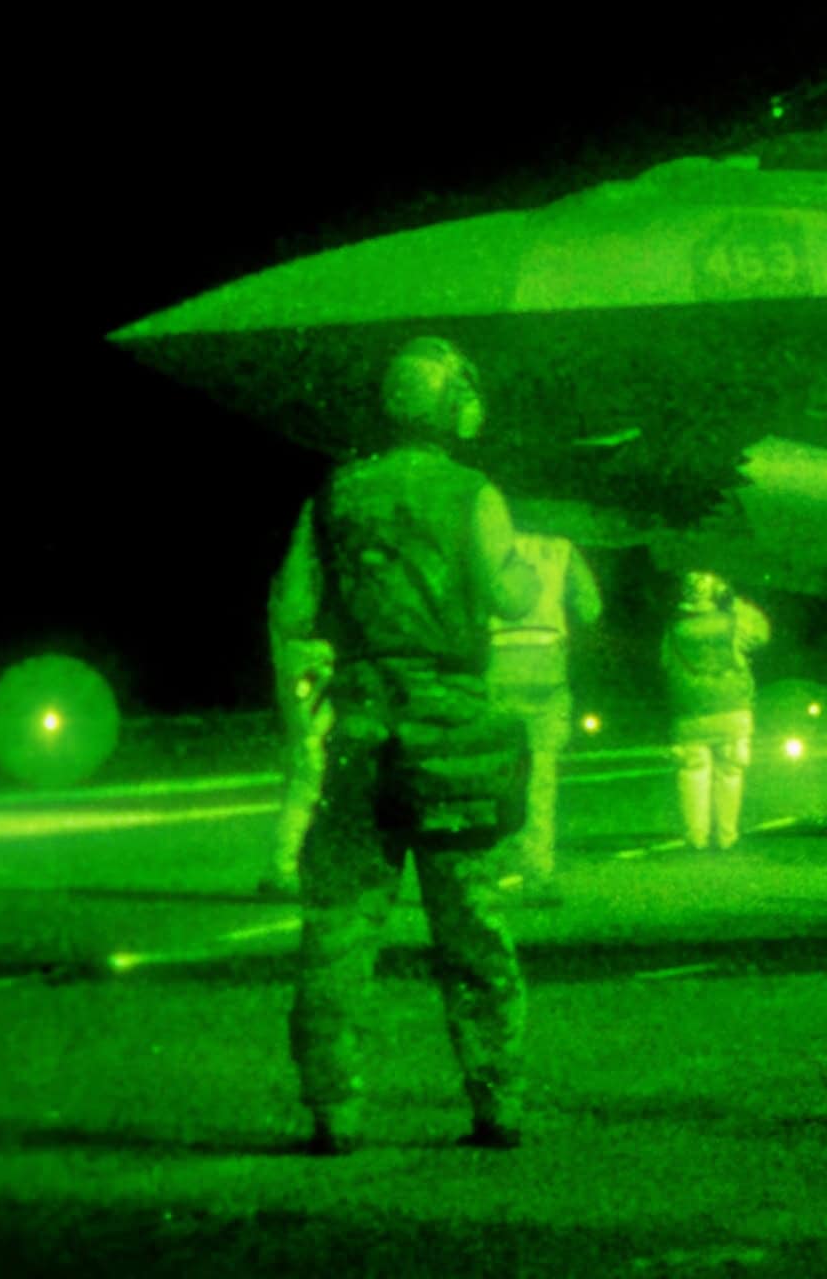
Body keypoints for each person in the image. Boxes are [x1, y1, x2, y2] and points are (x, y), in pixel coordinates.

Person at [272, 336, 541, 1156]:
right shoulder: (472, 493)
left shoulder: (332, 496)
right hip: (452, 734)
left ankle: (336, 1113)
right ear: (452, 404)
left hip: (362, 734)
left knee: (340, 929)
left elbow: (292, 609)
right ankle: (497, 1106)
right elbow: (511, 591)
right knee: (472, 928)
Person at [489, 531, 604, 906]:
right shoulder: (561, 548)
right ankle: (537, 874)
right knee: (541, 777)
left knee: (492, 774)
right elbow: (590, 608)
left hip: (496, 664)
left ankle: (487, 866)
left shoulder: (488, 537)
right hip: (546, 668)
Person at [661, 571, 770, 851]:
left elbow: (665, 664)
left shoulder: (674, 629)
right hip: (732, 709)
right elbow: (762, 632)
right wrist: (733, 601)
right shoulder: (733, 624)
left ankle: (696, 838)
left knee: (692, 773)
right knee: (730, 772)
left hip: (689, 712)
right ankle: (726, 836)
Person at [256, 623, 334, 901]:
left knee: (304, 794)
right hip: (314, 733)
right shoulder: (311, 656)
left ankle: (286, 869)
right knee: (306, 794)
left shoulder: (294, 654)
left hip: (306, 730)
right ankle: (282, 869)